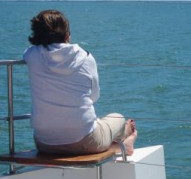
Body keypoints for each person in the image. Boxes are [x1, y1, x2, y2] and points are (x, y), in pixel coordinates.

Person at [23, 9, 137, 155]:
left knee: (95, 127)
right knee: (117, 118)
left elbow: (32, 50)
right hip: (84, 141)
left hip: (45, 143)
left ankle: (115, 145)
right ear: (67, 34)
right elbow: (94, 97)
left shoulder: (32, 55)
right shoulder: (85, 58)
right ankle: (123, 144)